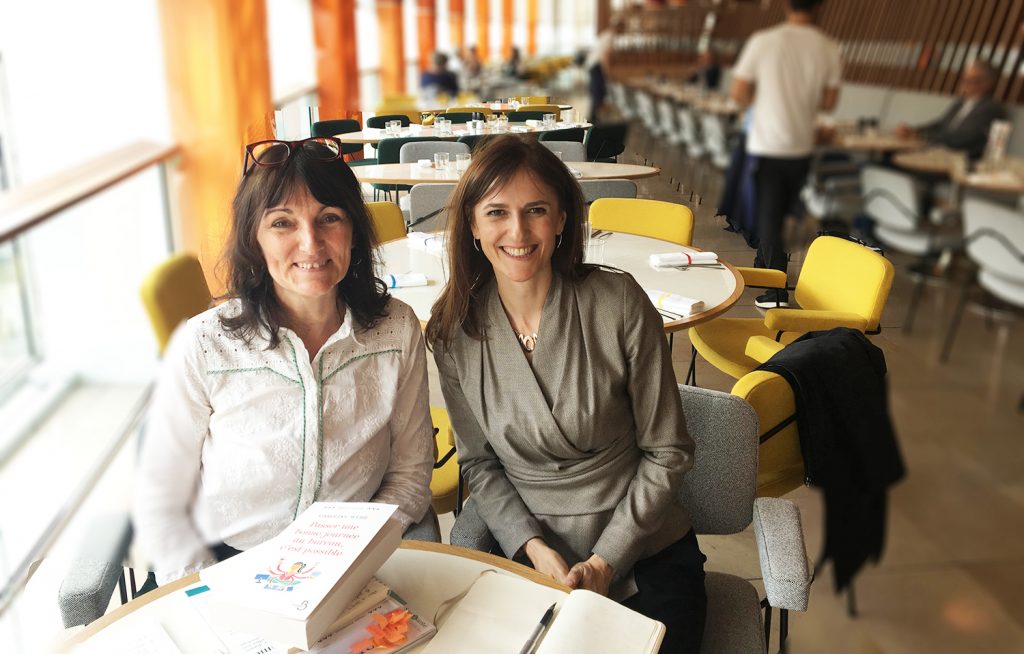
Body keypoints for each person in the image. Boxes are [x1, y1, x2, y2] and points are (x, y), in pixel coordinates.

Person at [426, 135, 706, 654]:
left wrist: (606, 560)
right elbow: (481, 466)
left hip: (641, 541)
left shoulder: (618, 303)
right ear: (471, 225)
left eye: (536, 210)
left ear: (561, 219)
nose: (517, 231)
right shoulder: (453, 331)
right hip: (529, 545)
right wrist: (532, 548)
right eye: (496, 213)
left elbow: (669, 451)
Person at [133, 137, 435, 585]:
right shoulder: (204, 345)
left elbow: (410, 472)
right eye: (282, 223)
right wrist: (202, 592)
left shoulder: (396, 329)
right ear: (254, 240)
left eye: (329, 218)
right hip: (227, 568)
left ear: (354, 229)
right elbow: (162, 499)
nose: (310, 244)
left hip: (355, 564)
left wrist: (355, 561)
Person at [730, 0, 841, 309]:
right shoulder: (828, 47)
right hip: (801, 146)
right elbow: (829, 103)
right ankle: (766, 268)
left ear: (786, 4)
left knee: (770, 215)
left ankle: (776, 290)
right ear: (820, 7)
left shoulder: (763, 41)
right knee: (781, 213)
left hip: (768, 143)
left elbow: (739, 93)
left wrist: (768, 102)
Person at [895, 60, 1006, 160]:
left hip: (962, 158)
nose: (966, 84)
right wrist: (914, 131)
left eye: (972, 80)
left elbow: (963, 138)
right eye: (965, 79)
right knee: (898, 156)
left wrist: (922, 136)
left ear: (987, 83)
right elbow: (940, 124)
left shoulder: (990, 108)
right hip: (941, 152)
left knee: (907, 159)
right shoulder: (961, 102)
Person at [585, 17, 624, 122]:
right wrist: (608, 73)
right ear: (619, 28)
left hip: (593, 65)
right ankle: (593, 121)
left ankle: (594, 118)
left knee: (596, 93)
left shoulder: (605, 34)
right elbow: (605, 56)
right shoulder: (610, 37)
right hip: (596, 66)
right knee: (598, 93)